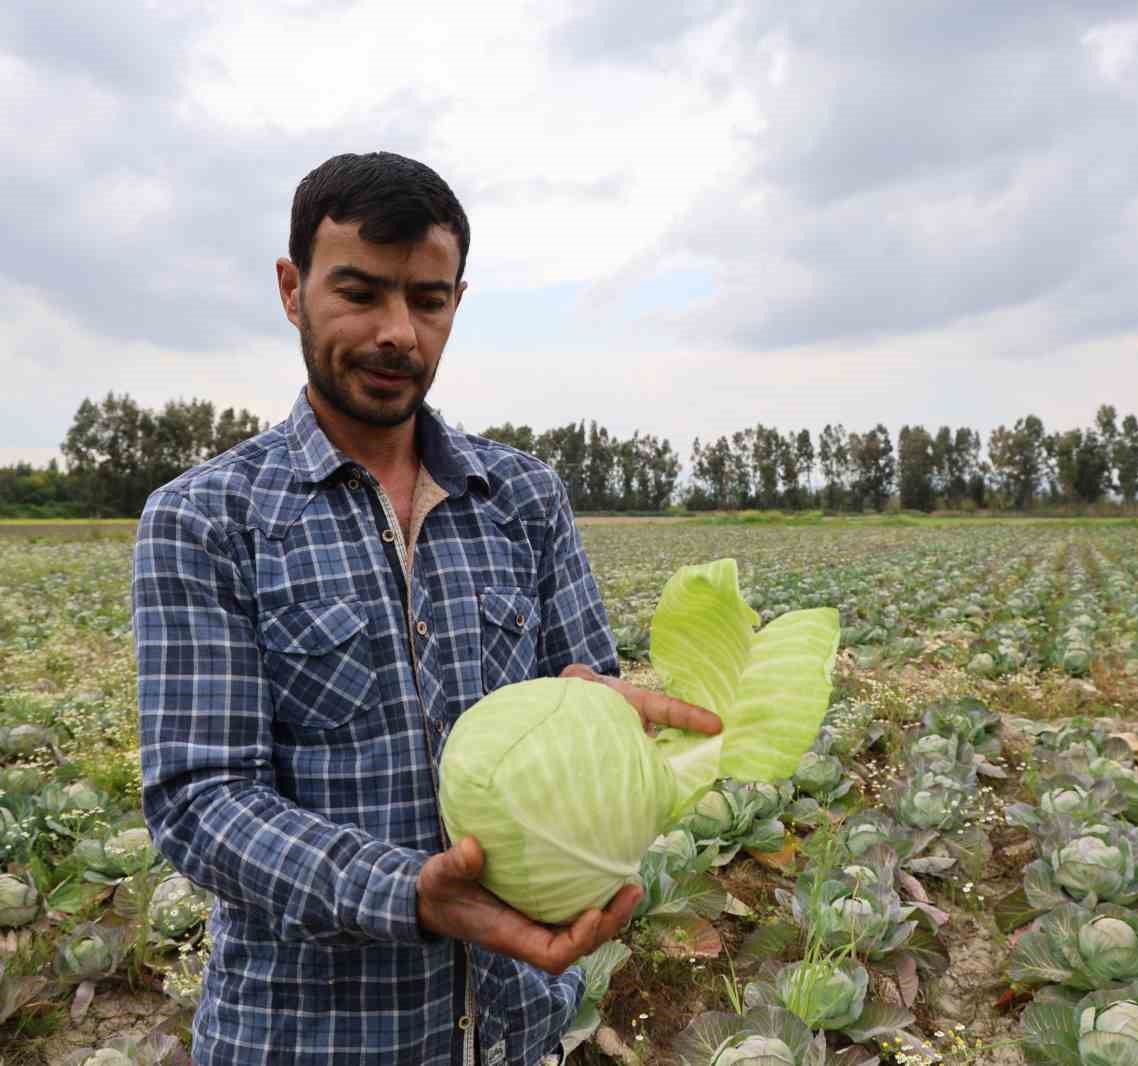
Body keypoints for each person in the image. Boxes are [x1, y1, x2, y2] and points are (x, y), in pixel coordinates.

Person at [133, 151, 720, 1066]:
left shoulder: (523, 497)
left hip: (517, 1032)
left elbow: (583, 700)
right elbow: (200, 801)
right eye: (359, 293)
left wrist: (609, 719)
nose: (398, 332)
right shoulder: (206, 519)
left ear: (457, 301)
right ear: (292, 290)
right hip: (308, 1040)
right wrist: (407, 891)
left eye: (429, 300)